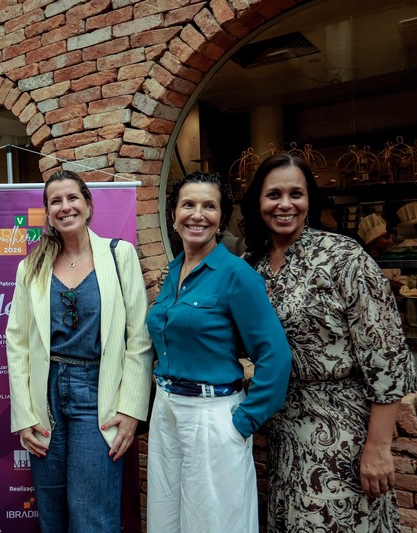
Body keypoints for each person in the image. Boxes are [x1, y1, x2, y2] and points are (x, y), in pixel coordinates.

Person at [240, 153, 417, 531]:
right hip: (283, 430)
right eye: (274, 195)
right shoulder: (251, 264)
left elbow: (388, 357)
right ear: (258, 202)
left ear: (310, 200)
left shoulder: (344, 258)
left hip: (343, 431)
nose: (285, 204)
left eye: (296, 194)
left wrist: (378, 447)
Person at [5, 170, 154, 532]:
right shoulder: (31, 266)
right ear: (47, 212)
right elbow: (17, 341)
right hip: (46, 397)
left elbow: (139, 338)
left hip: (97, 393)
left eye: (72, 198)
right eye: (55, 201)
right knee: (52, 515)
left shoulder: (119, 255)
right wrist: (24, 413)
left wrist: (131, 410)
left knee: (92, 516)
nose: (65, 206)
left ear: (88, 204)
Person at [145, 170, 292, 532]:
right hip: (166, 411)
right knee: (167, 518)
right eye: (188, 205)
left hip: (211, 416)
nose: (197, 214)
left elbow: (275, 356)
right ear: (174, 214)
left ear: (222, 217)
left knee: (213, 522)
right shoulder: (174, 271)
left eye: (209, 206)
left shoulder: (235, 274)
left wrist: (243, 423)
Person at [359, 213, 409, 292]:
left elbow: (404, 287)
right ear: (374, 240)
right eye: (386, 237)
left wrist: (378, 280)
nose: (390, 241)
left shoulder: (391, 260)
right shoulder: (362, 262)